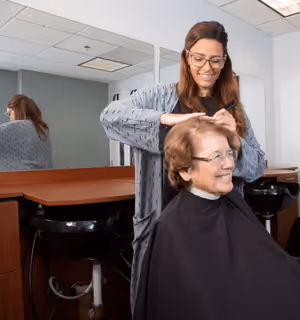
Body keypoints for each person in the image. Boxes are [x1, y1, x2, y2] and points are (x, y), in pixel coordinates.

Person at [100, 21, 265, 310]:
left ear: (224, 61)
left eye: (216, 60)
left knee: (214, 303)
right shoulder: (158, 96)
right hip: (165, 223)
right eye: (199, 58)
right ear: (186, 57)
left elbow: (257, 167)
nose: (207, 67)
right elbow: (109, 117)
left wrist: (236, 140)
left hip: (219, 226)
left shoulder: (233, 108)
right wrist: (167, 119)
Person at [133, 119, 300, 320]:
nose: (228, 164)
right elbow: (197, 306)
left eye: (228, 154)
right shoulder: (172, 228)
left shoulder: (230, 197)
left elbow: (262, 255)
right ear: (186, 170)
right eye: (215, 157)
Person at [0, 94, 53, 171]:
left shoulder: (9, 128)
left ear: (15, 110)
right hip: (43, 178)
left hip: (12, 179)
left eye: (9, 114)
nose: (10, 119)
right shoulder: (43, 130)